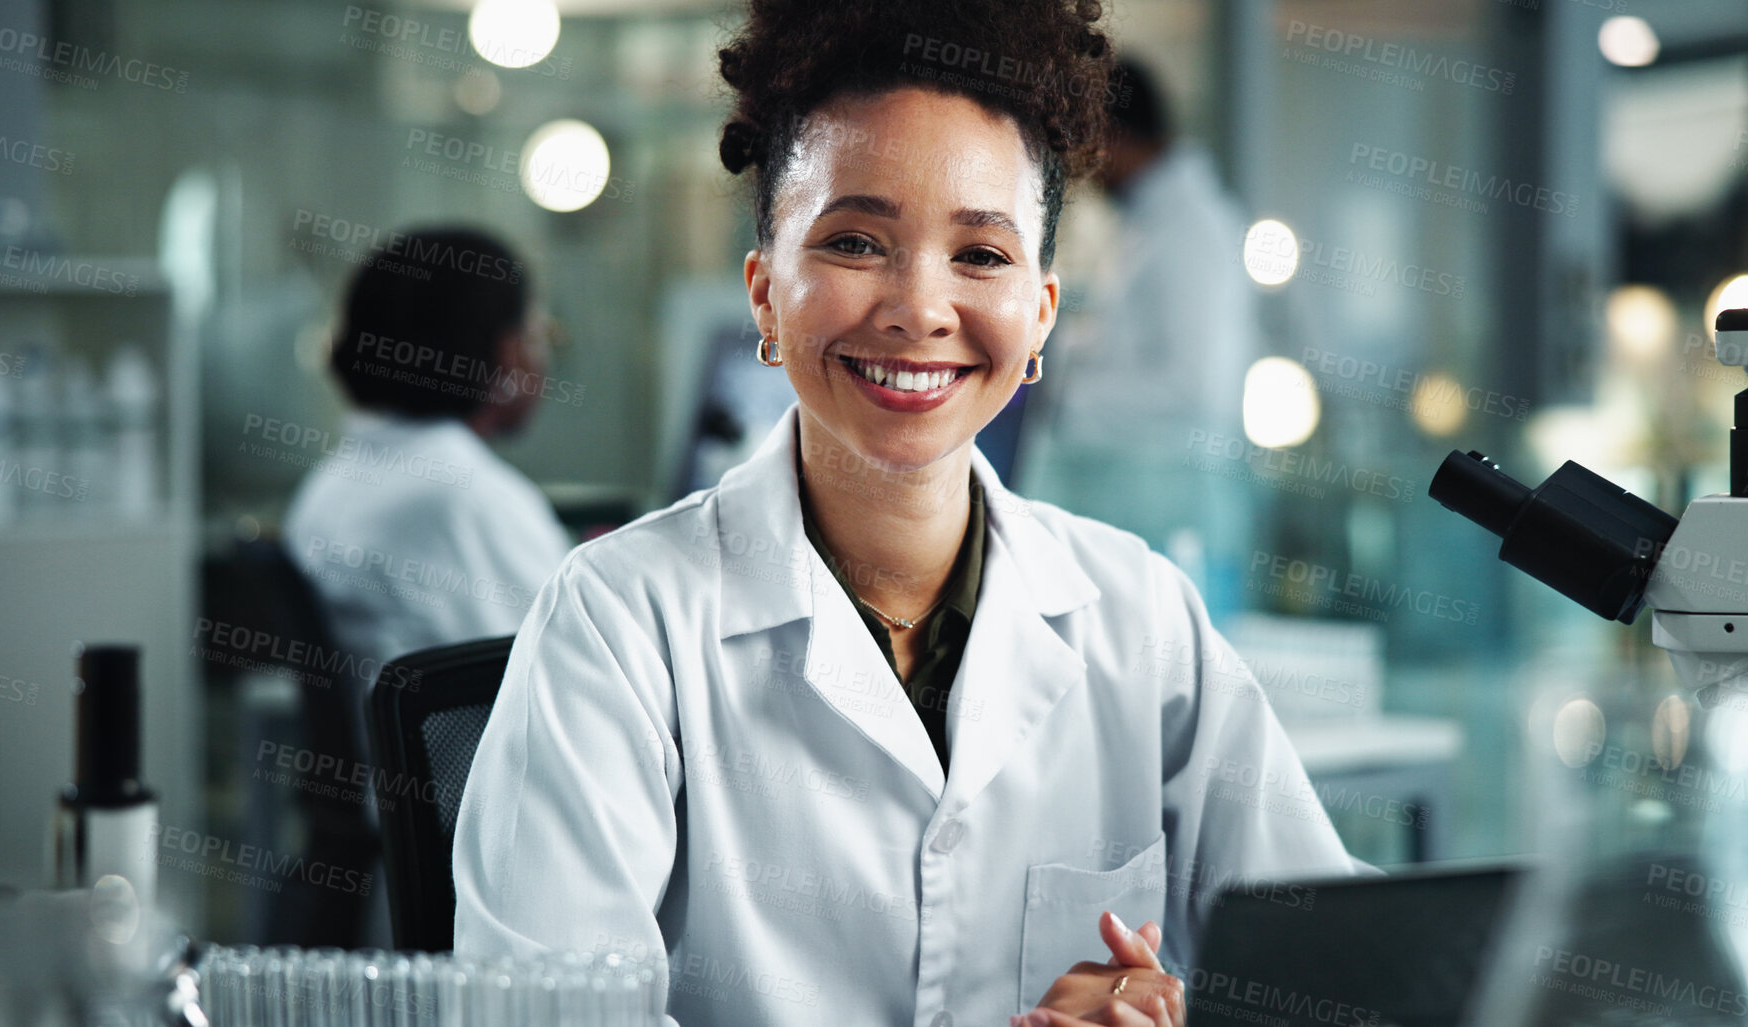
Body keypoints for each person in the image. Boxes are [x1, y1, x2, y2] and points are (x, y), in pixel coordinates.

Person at [453, 4, 1356, 1025]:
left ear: (1043, 314)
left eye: (981, 256)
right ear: (763, 295)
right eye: (854, 241)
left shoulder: (1143, 618)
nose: (920, 308)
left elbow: (1334, 970)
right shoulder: (620, 624)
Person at [285, 226, 573, 681]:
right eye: (537, 336)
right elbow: (575, 676)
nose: (541, 362)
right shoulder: (466, 500)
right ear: (506, 354)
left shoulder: (331, 483)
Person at [1026, 57, 1257, 618]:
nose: (1083, 163)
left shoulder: (1190, 229)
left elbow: (1193, 386)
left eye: (1087, 141)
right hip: (1140, 502)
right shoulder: (1153, 222)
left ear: (1114, 134)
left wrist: (1065, 400)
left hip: (1167, 508)